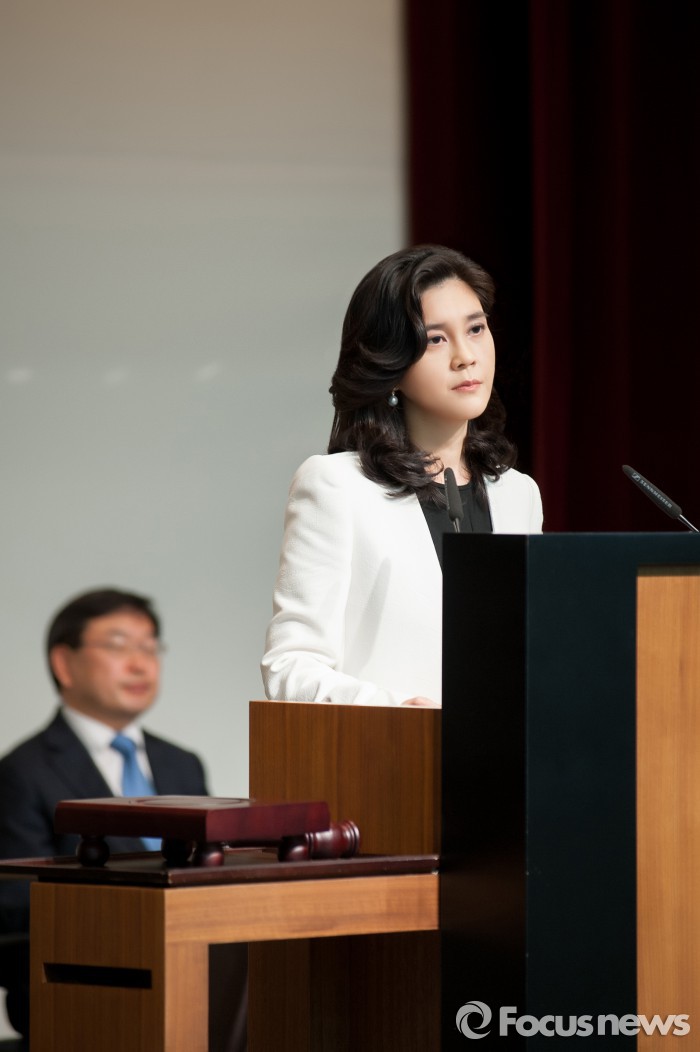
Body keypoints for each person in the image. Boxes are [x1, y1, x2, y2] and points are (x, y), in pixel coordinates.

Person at [262, 244, 543, 707]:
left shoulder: (519, 494)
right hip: (391, 749)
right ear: (391, 363)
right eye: (436, 340)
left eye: (476, 329)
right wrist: (396, 713)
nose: (465, 356)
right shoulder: (337, 486)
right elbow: (290, 667)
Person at [0, 587, 209, 1039]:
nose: (140, 664)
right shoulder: (22, 771)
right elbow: (17, 910)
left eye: (149, 647)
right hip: (82, 997)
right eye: (118, 646)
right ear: (64, 663)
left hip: (198, 982)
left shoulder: (182, 764)